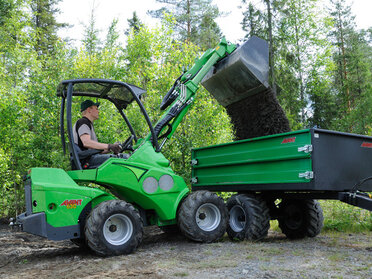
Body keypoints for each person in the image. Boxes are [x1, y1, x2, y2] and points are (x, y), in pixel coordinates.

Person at [73, 100, 122, 168]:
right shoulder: (83, 122)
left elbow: (95, 150)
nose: (98, 111)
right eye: (96, 109)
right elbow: (86, 143)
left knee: (120, 157)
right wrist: (109, 146)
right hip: (87, 161)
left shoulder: (88, 124)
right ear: (89, 110)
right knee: (123, 159)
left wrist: (112, 148)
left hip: (89, 158)